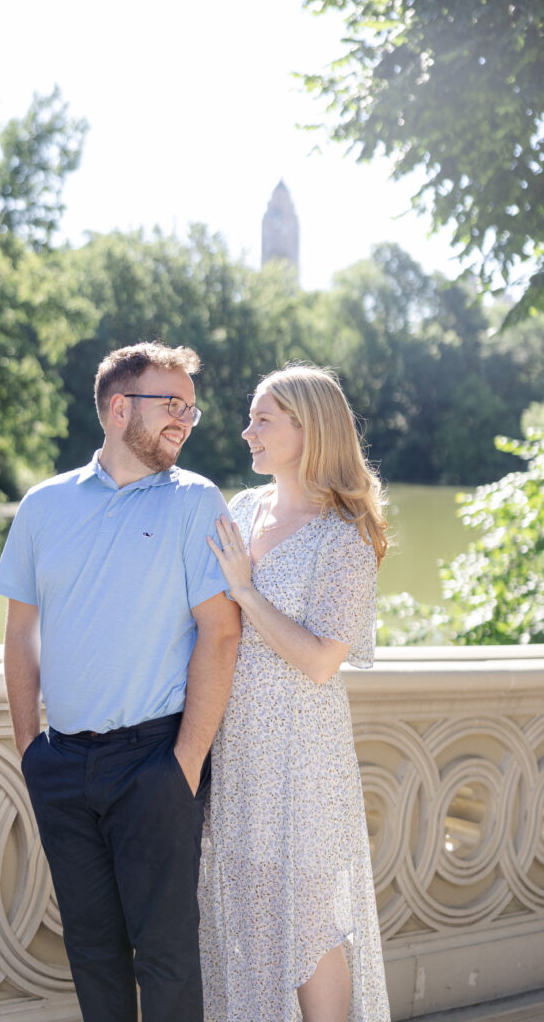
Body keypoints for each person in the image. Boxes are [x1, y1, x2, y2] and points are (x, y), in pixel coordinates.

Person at [0, 341, 241, 1022]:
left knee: (166, 956)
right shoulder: (43, 506)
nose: (186, 419)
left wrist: (183, 764)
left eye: (191, 407)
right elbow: (22, 633)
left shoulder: (196, 501)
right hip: (62, 765)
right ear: (117, 407)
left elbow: (221, 634)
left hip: (154, 761)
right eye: (172, 404)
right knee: (92, 952)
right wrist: (29, 751)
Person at [198, 364, 391, 1022]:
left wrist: (247, 590)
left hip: (302, 752)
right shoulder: (242, 509)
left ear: (308, 429)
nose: (245, 430)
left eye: (262, 419)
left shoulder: (344, 537)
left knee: (307, 920)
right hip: (236, 743)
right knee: (248, 906)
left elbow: (319, 661)